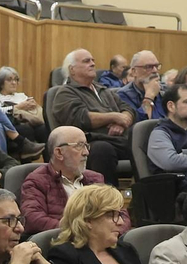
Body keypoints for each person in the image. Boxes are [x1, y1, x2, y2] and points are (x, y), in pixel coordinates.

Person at [45, 49, 129, 180]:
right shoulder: (65, 93)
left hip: (119, 139)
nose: (92, 64)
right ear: (72, 69)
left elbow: (127, 108)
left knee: (146, 140)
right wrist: (114, 117)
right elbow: (81, 118)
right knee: (102, 149)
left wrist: (122, 122)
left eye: (93, 60)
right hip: (89, 142)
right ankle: (105, 197)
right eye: (86, 61)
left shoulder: (103, 90)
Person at [18, 126, 103, 232]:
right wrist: (75, 230)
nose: (86, 152)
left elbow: (120, 214)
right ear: (59, 153)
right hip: (61, 242)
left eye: (86, 146)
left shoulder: (95, 179)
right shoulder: (36, 182)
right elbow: (32, 219)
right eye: (79, 146)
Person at [0, 67, 48, 143]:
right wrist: (18, 107)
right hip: (11, 125)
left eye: (16, 79)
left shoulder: (21, 95)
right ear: (1, 83)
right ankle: (29, 153)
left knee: (44, 129)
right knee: (26, 129)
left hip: (29, 121)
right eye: (9, 80)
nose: (14, 83)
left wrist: (33, 105)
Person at [114, 50, 164, 121]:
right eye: (148, 67)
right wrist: (149, 97)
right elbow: (139, 126)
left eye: (156, 66)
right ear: (134, 72)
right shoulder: (123, 95)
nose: (155, 70)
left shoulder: (166, 90)